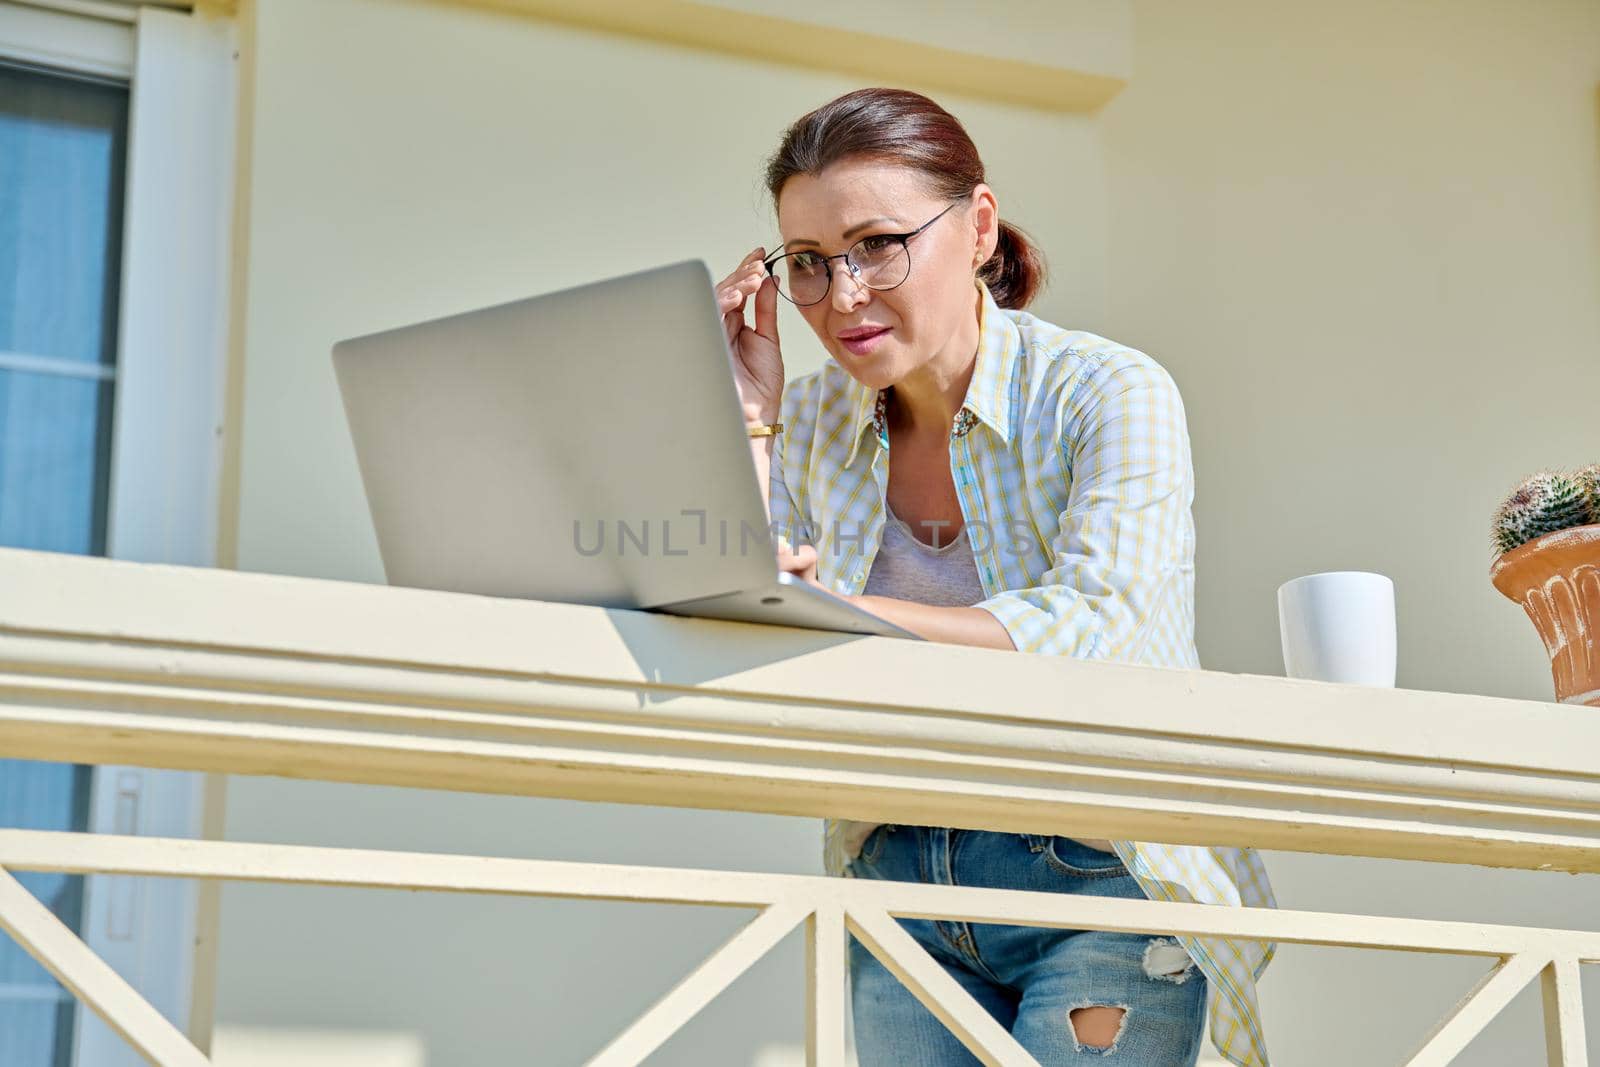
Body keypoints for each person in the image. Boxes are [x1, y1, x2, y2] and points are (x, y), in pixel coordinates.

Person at [716, 87, 1276, 1067]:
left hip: (1099, 866)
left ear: (976, 227)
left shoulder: (1106, 390)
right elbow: (744, 614)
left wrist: (829, 610)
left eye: (879, 243)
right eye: (806, 263)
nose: (841, 294)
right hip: (896, 874)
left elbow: (1099, 624)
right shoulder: (804, 425)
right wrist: (748, 415)